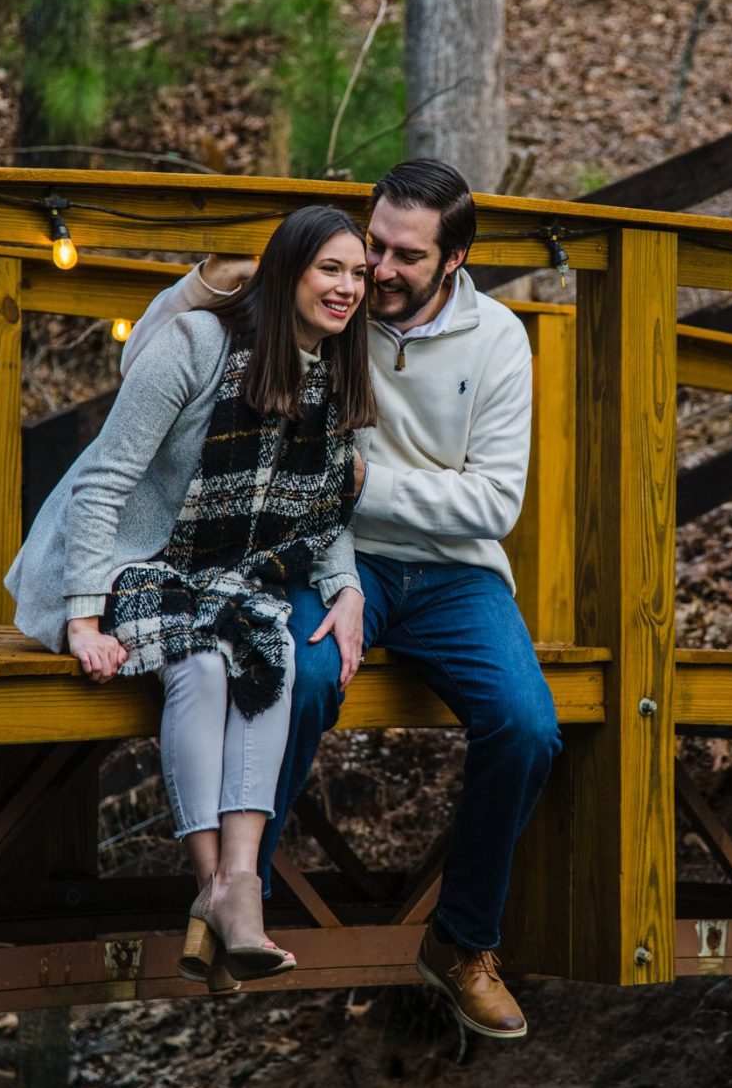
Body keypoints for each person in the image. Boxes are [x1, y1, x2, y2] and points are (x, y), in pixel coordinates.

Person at [121, 158, 558, 1041]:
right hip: (326, 560)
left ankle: (463, 943)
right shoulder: (336, 309)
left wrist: (356, 478)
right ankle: (236, 899)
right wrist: (213, 278)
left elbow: (494, 504)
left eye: (404, 256)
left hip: (456, 574)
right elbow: (156, 354)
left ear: (456, 260)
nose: (380, 271)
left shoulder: (500, 341)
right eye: (373, 246)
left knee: (527, 724)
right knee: (294, 680)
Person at [5, 205, 376, 992]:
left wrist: (345, 593)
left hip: (225, 577)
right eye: (330, 269)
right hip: (123, 561)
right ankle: (218, 886)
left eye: (359, 274)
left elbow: (323, 511)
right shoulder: (197, 346)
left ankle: (234, 885)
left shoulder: (335, 373)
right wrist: (82, 615)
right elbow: (101, 484)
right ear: (287, 272)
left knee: (266, 644)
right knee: (206, 663)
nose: (347, 288)